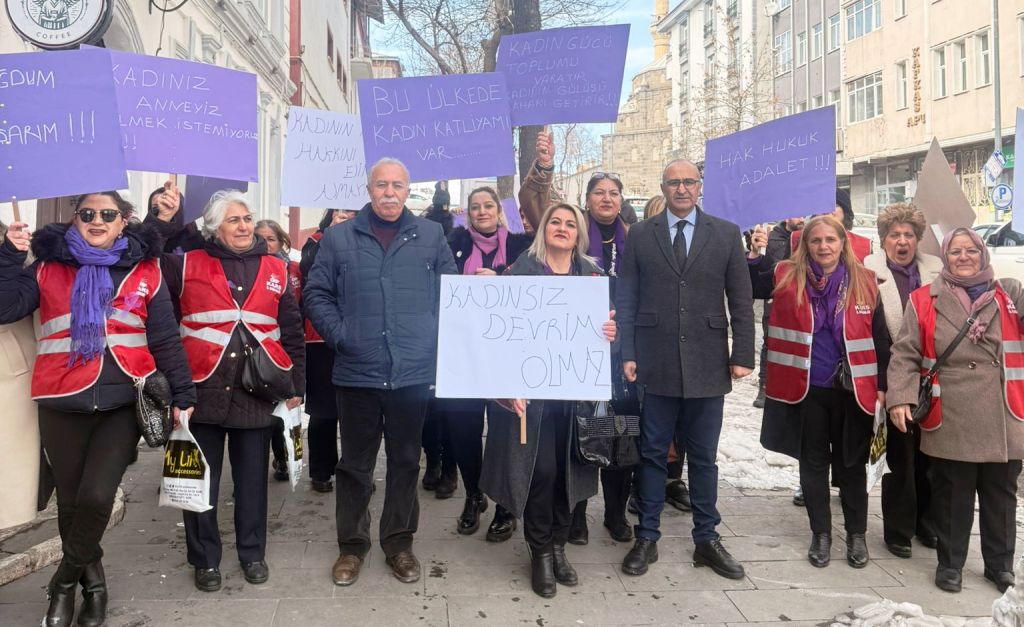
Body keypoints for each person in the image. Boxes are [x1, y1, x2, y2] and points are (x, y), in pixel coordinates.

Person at [0, 193, 195, 627]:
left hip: (123, 400)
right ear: (76, 219)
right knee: (71, 504)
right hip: (60, 399)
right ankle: (95, 586)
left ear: (123, 222)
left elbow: (164, 336)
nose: (97, 220)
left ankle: (63, 582)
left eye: (108, 214)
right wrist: (8, 257)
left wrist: (183, 394)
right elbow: (5, 308)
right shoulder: (47, 266)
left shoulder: (147, 270)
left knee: (95, 497)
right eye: (87, 214)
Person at [304, 158, 457, 587]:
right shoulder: (338, 237)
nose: (389, 193)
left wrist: (431, 336)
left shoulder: (430, 235)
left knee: (407, 461)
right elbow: (316, 293)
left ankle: (399, 543)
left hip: (412, 372)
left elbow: (451, 291)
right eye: (381, 185)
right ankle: (351, 547)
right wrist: (341, 335)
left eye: (398, 186)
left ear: (408, 191)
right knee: (354, 465)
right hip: (357, 371)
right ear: (369, 190)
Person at [161, 190, 306, 593]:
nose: (244, 226)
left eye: (247, 219)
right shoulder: (184, 263)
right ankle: (205, 560)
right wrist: (170, 220)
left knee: (252, 482)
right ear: (213, 227)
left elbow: (291, 329)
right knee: (198, 483)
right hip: (199, 388)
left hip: (256, 390)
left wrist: (297, 386)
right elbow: (161, 322)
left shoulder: (276, 266)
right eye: (233, 220)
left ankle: (252, 553)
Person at [616, 159, 754, 580]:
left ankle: (706, 540)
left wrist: (743, 354)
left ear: (699, 187)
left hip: (709, 362)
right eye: (673, 182)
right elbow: (627, 298)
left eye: (688, 182)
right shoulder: (640, 235)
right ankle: (648, 536)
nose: (680, 189)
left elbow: (741, 300)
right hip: (654, 361)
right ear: (663, 186)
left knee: (704, 458)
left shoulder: (726, 234)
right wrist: (627, 352)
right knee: (654, 454)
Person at [479, 202, 616, 598]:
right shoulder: (522, 271)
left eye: (569, 223)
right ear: (544, 230)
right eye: (554, 221)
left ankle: (558, 546)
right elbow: (499, 333)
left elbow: (608, 330)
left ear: (578, 234)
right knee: (541, 473)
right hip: (532, 399)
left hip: (576, 399)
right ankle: (539, 551)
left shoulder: (592, 275)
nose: (561, 227)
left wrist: (611, 330)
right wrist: (505, 388)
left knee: (571, 472)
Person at [887, 227, 1024, 594]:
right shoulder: (923, 299)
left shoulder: (1009, 294)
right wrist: (899, 396)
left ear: (984, 253)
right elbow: (905, 353)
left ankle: (1000, 566)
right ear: (944, 258)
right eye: (955, 252)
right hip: (951, 412)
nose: (963, 257)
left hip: (1003, 410)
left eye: (971, 250)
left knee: (1000, 494)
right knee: (952, 495)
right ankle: (950, 565)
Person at [750, 215, 889, 569]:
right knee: (812, 464)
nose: (823, 247)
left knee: (852, 465)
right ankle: (821, 535)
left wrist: (884, 388)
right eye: (816, 241)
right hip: (807, 388)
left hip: (854, 389)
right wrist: (756, 254)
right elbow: (752, 283)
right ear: (805, 245)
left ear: (843, 244)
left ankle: (856, 535)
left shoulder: (867, 282)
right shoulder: (785, 276)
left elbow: (881, 340)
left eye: (831, 240)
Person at [518, 132, 636, 545]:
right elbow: (535, 201)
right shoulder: (569, 231)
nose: (606, 198)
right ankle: (576, 516)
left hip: (620, 356)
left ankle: (617, 514)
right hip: (573, 363)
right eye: (599, 192)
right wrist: (544, 167)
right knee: (579, 439)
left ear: (621, 200)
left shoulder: (636, 238)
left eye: (613, 193)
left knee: (619, 434)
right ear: (587, 200)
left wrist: (625, 340)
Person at [442, 187, 533, 538]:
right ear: (467, 213)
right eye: (475, 207)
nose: (481, 212)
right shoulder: (453, 245)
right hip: (463, 351)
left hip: (507, 354)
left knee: (504, 429)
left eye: (488, 206)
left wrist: (502, 281)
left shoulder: (520, 247)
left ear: (499, 211)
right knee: (463, 429)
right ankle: (474, 494)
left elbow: (535, 288)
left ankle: (505, 506)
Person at [862, 203, 942, 559]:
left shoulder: (938, 273)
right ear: (883, 240)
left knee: (932, 456)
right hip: (892, 372)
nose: (902, 240)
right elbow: (869, 333)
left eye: (909, 234)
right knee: (899, 455)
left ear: (918, 239)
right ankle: (897, 531)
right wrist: (882, 383)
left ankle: (928, 524)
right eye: (895, 234)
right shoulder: (868, 274)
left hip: (934, 377)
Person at [299, 209, 357, 493]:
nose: (346, 214)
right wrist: (332, 236)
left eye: (353, 211)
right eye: (341, 210)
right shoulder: (316, 241)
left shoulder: (369, 241)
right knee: (323, 409)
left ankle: (355, 468)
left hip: (358, 334)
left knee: (356, 411)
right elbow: (308, 271)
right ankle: (321, 470)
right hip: (320, 338)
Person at [254, 219, 301, 483]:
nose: (265, 243)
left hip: (285, 349)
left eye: (270, 238)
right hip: (258, 354)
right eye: (259, 238)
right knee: (264, 413)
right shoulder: (246, 269)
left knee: (284, 408)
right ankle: (260, 466)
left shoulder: (292, 270)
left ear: (281, 241)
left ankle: (283, 455)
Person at [790, 189, 872, 262]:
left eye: (834, 205)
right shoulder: (796, 238)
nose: (827, 210)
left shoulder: (865, 246)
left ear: (845, 211)